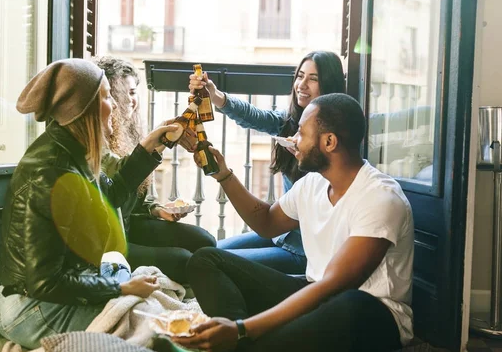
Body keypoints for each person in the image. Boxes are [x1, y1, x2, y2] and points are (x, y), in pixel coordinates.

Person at [175, 93, 414, 352]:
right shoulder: (313, 183)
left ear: (329, 142)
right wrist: (223, 175)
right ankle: (241, 343)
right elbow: (266, 222)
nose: (294, 140)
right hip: (315, 294)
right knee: (206, 260)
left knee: (351, 304)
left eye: (301, 132)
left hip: (368, 316)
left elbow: (333, 285)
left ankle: (242, 340)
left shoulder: (380, 197)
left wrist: (243, 329)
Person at [0, 59, 180, 349]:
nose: (115, 106)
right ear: (84, 109)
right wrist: (121, 287)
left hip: (53, 291)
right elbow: (44, 283)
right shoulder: (53, 175)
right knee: (153, 324)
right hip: (29, 307)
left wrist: (149, 146)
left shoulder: (74, 152)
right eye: (106, 97)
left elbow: (112, 195)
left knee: (156, 313)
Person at [188, 51, 346, 274]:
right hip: (279, 234)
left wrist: (307, 153)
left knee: (215, 262)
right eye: (300, 76)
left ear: (329, 84)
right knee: (209, 249)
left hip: (303, 250)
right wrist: (215, 95)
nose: (302, 84)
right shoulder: (290, 122)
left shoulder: (336, 138)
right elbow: (254, 115)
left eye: (313, 79)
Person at [93, 55, 216, 284]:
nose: (133, 100)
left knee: (205, 240)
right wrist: (156, 140)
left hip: (129, 223)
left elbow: (134, 197)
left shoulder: (126, 130)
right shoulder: (95, 137)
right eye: (127, 93)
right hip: (111, 238)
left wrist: (156, 209)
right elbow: (118, 186)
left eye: (135, 92)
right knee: (184, 261)